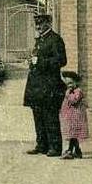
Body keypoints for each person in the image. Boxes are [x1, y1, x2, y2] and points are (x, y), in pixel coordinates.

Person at [23, 12, 66, 157]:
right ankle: (42, 145)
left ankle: (55, 147)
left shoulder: (55, 39)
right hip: (37, 86)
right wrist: (32, 62)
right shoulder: (40, 40)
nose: (38, 27)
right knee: (38, 116)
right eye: (37, 24)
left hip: (49, 86)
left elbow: (62, 60)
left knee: (50, 116)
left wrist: (40, 62)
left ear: (49, 23)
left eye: (41, 24)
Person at [59, 70, 88, 159]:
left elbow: (73, 100)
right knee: (72, 135)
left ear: (76, 82)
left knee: (73, 135)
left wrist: (67, 94)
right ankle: (76, 151)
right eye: (67, 84)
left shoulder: (78, 91)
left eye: (71, 83)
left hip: (76, 117)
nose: (69, 85)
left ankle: (71, 151)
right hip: (70, 117)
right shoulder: (70, 91)